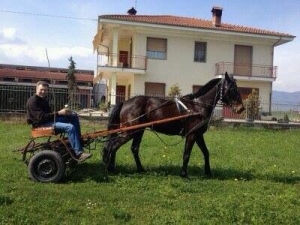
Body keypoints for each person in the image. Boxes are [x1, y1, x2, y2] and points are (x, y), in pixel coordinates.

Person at [26, 80, 91, 161]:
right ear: (36, 89)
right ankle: (79, 153)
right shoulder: (33, 101)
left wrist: (62, 113)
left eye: (45, 90)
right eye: (41, 89)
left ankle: (78, 140)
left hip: (48, 121)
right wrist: (59, 113)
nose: (43, 92)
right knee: (69, 127)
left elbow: (49, 115)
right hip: (41, 125)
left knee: (73, 116)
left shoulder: (43, 100)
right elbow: (41, 117)